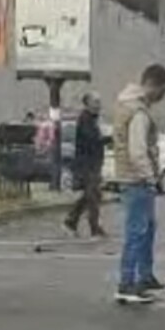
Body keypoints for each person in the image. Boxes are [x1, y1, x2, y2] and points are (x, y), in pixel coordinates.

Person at [112, 65, 165, 304]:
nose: (162, 98)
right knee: (137, 232)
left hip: (131, 177)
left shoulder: (127, 106)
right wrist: (150, 177)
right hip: (136, 180)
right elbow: (138, 151)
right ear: (153, 85)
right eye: (163, 92)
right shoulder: (138, 112)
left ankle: (144, 277)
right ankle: (127, 284)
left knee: (145, 229)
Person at [65, 92, 108, 237]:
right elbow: (91, 140)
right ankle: (95, 228)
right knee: (93, 195)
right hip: (86, 164)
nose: (98, 105)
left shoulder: (94, 120)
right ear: (87, 104)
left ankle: (71, 220)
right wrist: (106, 138)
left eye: (99, 102)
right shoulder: (85, 119)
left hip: (94, 163)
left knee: (92, 195)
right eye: (95, 102)